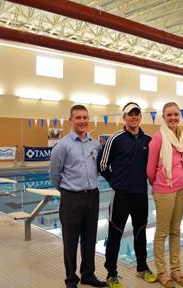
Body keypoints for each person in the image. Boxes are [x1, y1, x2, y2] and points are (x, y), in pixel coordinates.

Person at [98, 102, 157, 288]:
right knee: (115, 233)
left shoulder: (148, 140)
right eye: (130, 114)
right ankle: (111, 273)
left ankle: (142, 267)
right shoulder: (115, 139)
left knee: (141, 233)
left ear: (140, 117)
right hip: (121, 195)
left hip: (140, 194)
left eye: (137, 114)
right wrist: (115, 182)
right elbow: (102, 165)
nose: (134, 117)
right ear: (124, 117)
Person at [49, 105, 106, 288]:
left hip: (93, 196)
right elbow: (55, 176)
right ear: (71, 120)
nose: (82, 121)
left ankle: (88, 275)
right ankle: (71, 279)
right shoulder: (62, 146)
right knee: (70, 240)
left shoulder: (95, 144)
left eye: (85, 117)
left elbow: (99, 168)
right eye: (78, 118)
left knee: (90, 238)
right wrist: (68, 191)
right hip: (71, 197)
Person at [147, 102, 183, 288]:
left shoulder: (181, 136)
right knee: (162, 232)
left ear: (179, 115)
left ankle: (176, 270)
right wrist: (159, 183)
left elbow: (182, 162)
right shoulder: (158, 138)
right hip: (164, 190)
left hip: (180, 189)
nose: (173, 118)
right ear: (163, 117)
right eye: (169, 115)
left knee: (176, 231)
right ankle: (162, 272)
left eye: (176, 114)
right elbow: (150, 169)